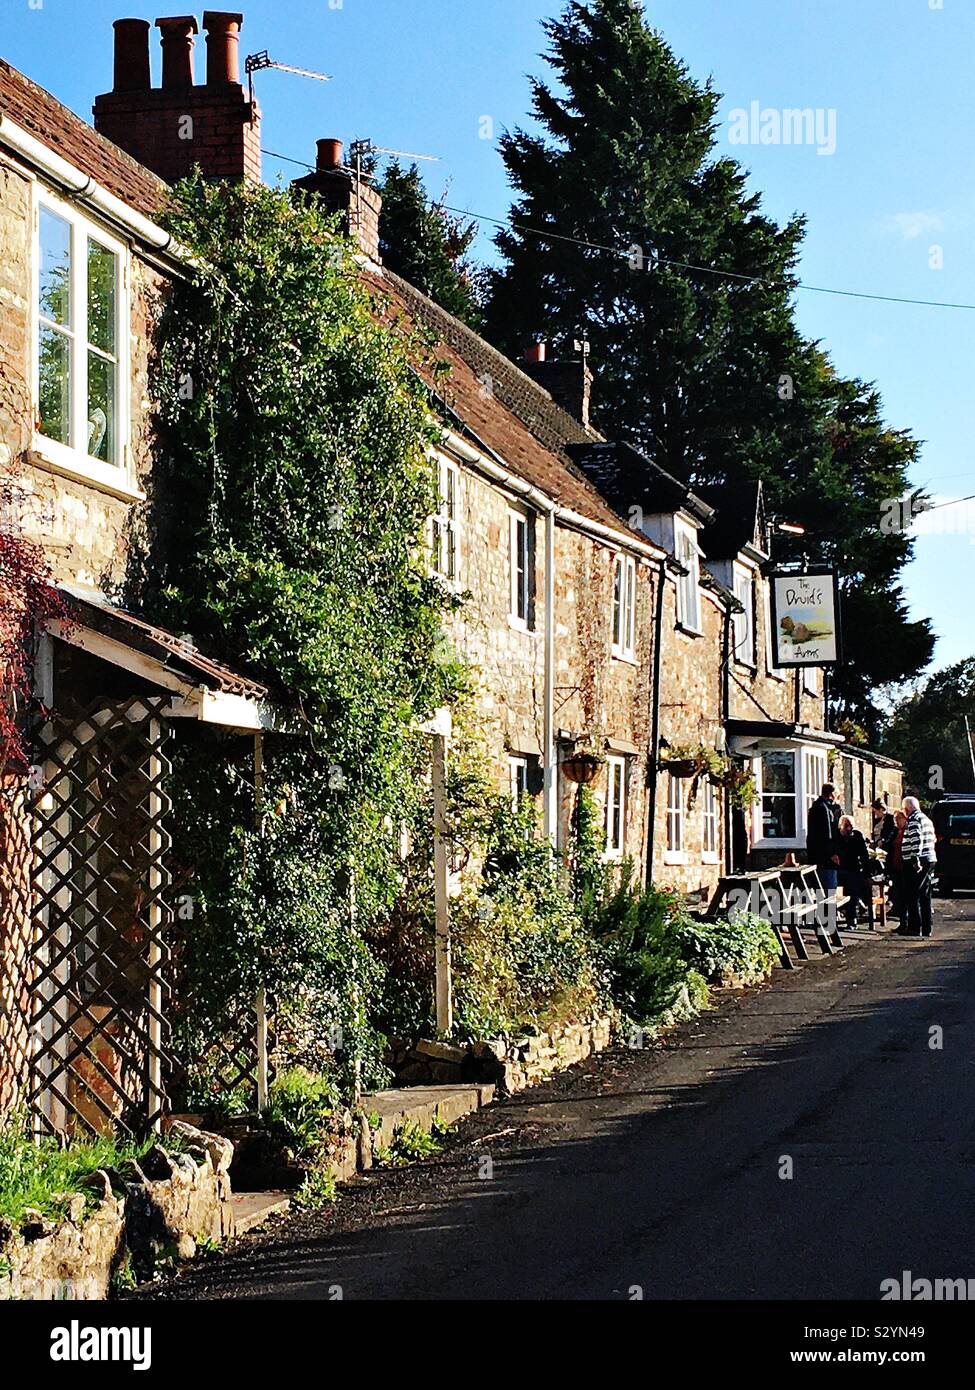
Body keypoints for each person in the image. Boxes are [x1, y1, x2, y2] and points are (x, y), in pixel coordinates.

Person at [900, 796, 938, 938]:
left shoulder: (914, 820)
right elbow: (932, 839)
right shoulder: (926, 820)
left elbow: (917, 839)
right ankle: (927, 927)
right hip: (930, 859)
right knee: (925, 895)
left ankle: (914, 927)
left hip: (918, 861)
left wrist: (915, 859)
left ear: (907, 809)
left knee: (912, 894)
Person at [836, 815, 872, 927]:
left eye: (851, 826)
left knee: (853, 891)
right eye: (846, 826)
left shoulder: (857, 836)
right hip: (838, 869)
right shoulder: (835, 836)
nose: (848, 829)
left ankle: (852, 919)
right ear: (840, 826)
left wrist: (867, 873)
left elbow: (864, 855)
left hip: (853, 869)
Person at [807, 783, 841, 891]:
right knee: (828, 889)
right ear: (831, 794)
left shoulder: (818, 806)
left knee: (820, 889)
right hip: (824, 858)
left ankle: (825, 908)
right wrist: (832, 853)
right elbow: (826, 832)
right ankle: (828, 908)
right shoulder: (823, 808)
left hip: (816, 855)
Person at [887, 810, 908, 924]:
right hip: (895, 865)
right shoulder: (896, 831)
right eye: (895, 819)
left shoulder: (908, 830)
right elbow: (889, 845)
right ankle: (901, 918)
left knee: (904, 894)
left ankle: (905, 920)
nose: (896, 821)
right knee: (897, 892)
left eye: (898, 819)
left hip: (904, 865)